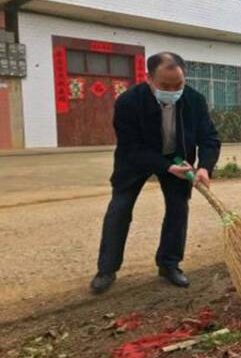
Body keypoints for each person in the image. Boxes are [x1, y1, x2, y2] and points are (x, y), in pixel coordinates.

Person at [90, 52, 221, 294]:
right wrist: (164, 166)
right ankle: (106, 269)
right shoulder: (128, 102)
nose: (172, 91)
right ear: (148, 78)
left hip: (178, 159)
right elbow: (131, 147)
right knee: (119, 209)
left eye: (178, 85)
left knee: (178, 208)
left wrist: (204, 166)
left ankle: (169, 264)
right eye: (165, 86)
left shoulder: (194, 100)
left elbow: (209, 137)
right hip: (136, 159)